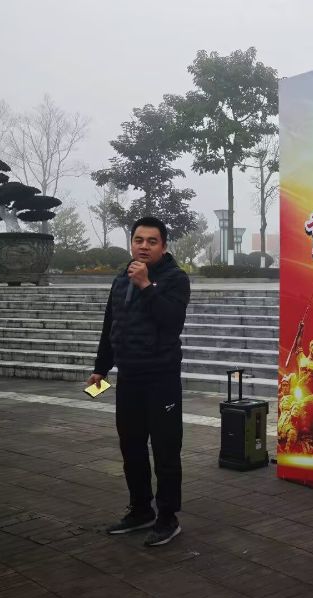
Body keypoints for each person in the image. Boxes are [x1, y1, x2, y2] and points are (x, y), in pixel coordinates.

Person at [86, 216, 190, 547]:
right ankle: (141, 509)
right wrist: (101, 368)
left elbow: (172, 321)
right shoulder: (121, 279)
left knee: (165, 449)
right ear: (132, 243)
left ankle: (168, 516)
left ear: (164, 246)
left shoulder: (175, 279)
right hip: (129, 377)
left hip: (161, 378)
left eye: (152, 241)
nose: (144, 246)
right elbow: (111, 326)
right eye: (139, 240)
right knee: (131, 446)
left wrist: (146, 286)